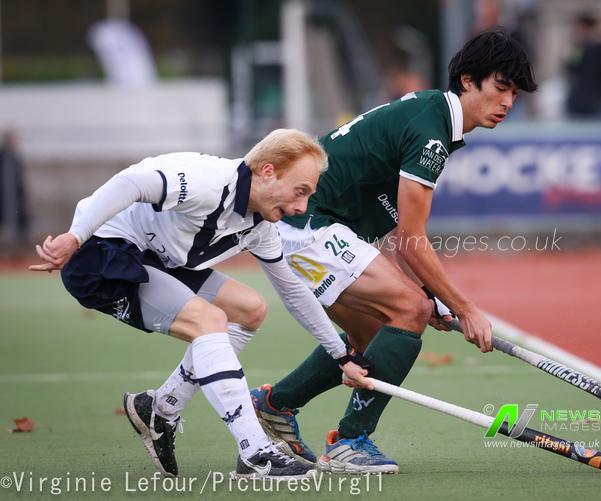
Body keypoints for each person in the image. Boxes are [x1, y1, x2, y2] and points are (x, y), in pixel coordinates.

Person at [247, 29, 537, 474]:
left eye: (514, 94)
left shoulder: (430, 116)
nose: (508, 103)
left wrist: (433, 295)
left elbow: (401, 236)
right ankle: (349, 442)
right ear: (467, 80)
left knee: (378, 332)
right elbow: (410, 239)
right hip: (306, 223)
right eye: (501, 88)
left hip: (309, 226)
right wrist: (464, 309)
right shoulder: (432, 132)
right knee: (409, 309)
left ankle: (275, 404)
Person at [28, 129, 371, 479]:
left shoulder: (260, 227)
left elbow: (293, 292)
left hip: (156, 258)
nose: (302, 207)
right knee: (208, 322)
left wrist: (342, 356)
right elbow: (130, 183)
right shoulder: (207, 182)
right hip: (100, 254)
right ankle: (255, 452)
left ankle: (160, 408)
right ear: (268, 172)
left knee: (250, 309)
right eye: (300, 191)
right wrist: (76, 236)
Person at [564, 12, 601, 117]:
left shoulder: (596, 47)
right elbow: (571, 67)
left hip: (590, 98)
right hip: (578, 97)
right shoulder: (578, 47)